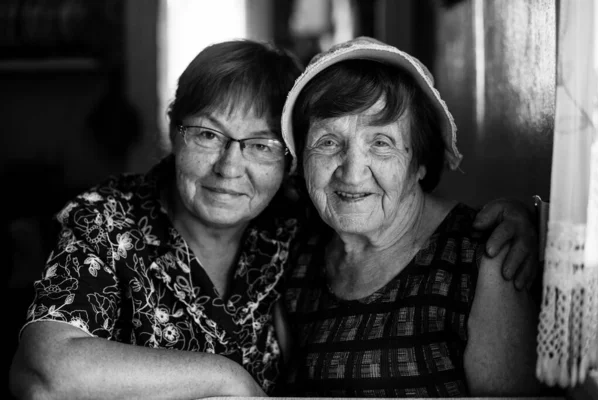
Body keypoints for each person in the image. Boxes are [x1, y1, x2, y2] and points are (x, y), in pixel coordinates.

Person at [9, 39, 537, 400]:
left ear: (285, 162)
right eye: (207, 134)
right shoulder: (108, 220)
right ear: (173, 132)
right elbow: (44, 373)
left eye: (259, 144)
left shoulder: (292, 226)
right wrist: (226, 379)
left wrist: (522, 220)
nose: (229, 167)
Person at [277, 37, 542, 397]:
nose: (352, 173)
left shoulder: (485, 258)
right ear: (302, 159)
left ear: (419, 163)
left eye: (381, 143)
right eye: (327, 142)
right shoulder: (296, 258)